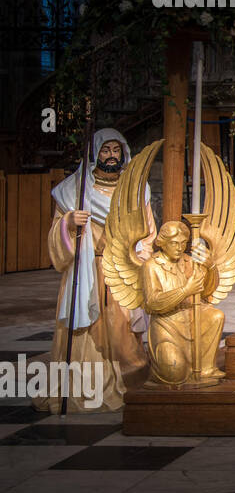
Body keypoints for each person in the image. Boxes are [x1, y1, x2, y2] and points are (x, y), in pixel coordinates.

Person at [40, 129, 150, 412]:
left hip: (122, 269)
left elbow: (149, 232)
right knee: (84, 328)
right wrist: (68, 223)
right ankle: (84, 385)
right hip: (87, 266)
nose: (111, 155)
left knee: (122, 330)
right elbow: (55, 233)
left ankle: (129, 379)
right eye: (105, 150)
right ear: (95, 154)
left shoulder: (135, 189)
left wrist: (140, 257)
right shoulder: (73, 190)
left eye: (116, 150)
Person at [140, 221, 226, 386]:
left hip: (190, 318)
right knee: (174, 372)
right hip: (167, 326)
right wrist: (185, 291)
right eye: (174, 243)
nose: (179, 248)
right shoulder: (151, 266)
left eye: (183, 243)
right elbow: (152, 303)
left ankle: (206, 368)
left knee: (215, 316)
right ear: (162, 244)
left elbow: (206, 291)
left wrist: (211, 267)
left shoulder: (187, 261)